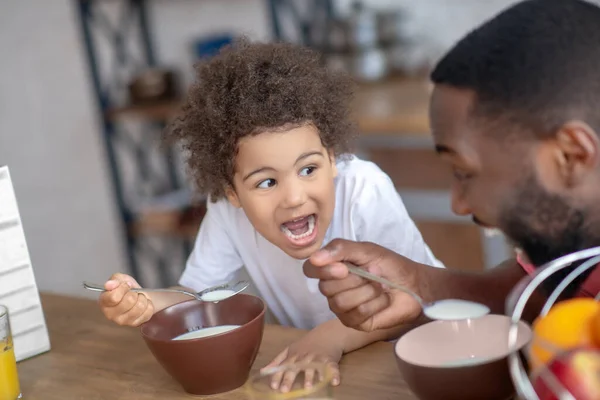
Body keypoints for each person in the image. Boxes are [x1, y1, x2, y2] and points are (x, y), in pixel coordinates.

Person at [97, 38, 443, 389]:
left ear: (332, 158)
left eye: (308, 170)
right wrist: (146, 300)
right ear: (232, 192)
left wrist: (328, 339)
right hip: (316, 367)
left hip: (412, 365)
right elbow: (197, 296)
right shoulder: (226, 212)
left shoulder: (364, 189)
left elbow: (415, 301)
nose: (294, 198)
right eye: (266, 182)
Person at [303, 0, 600, 334]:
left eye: (464, 173)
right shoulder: (579, 244)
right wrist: (419, 286)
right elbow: (541, 290)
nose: (459, 205)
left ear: (572, 155)